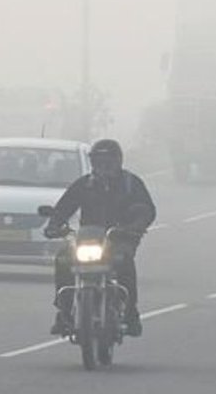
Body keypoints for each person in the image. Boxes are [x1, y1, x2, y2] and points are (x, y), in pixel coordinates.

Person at [44, 139, 156, 337]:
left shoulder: (131, 184)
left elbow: (147, 209)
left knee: (124, 261)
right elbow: (64, 208)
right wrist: (54, 225)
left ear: (118, 161)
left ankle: (131, 313)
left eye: (108, 160)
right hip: (87, 240)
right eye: (98, 160)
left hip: (120, 238)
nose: (104, 165)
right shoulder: (84, 184)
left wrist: (135, 226)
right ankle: (63, 310)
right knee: (62, 258)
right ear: (93, 162)